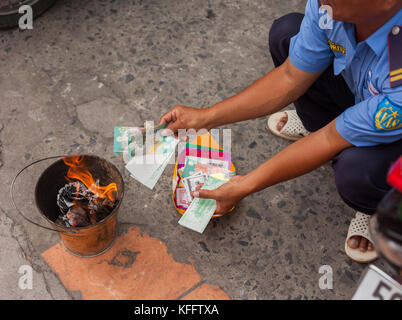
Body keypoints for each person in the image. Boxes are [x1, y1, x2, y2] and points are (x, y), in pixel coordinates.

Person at [159, 0, 402, 263]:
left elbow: (329, 137)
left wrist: (244, 185)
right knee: (286, 33)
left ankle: (378, 205)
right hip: (369, 95)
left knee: (356, 171)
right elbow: (290, 77)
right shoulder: (329, 6)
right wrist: (206, 117)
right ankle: (326, 124)